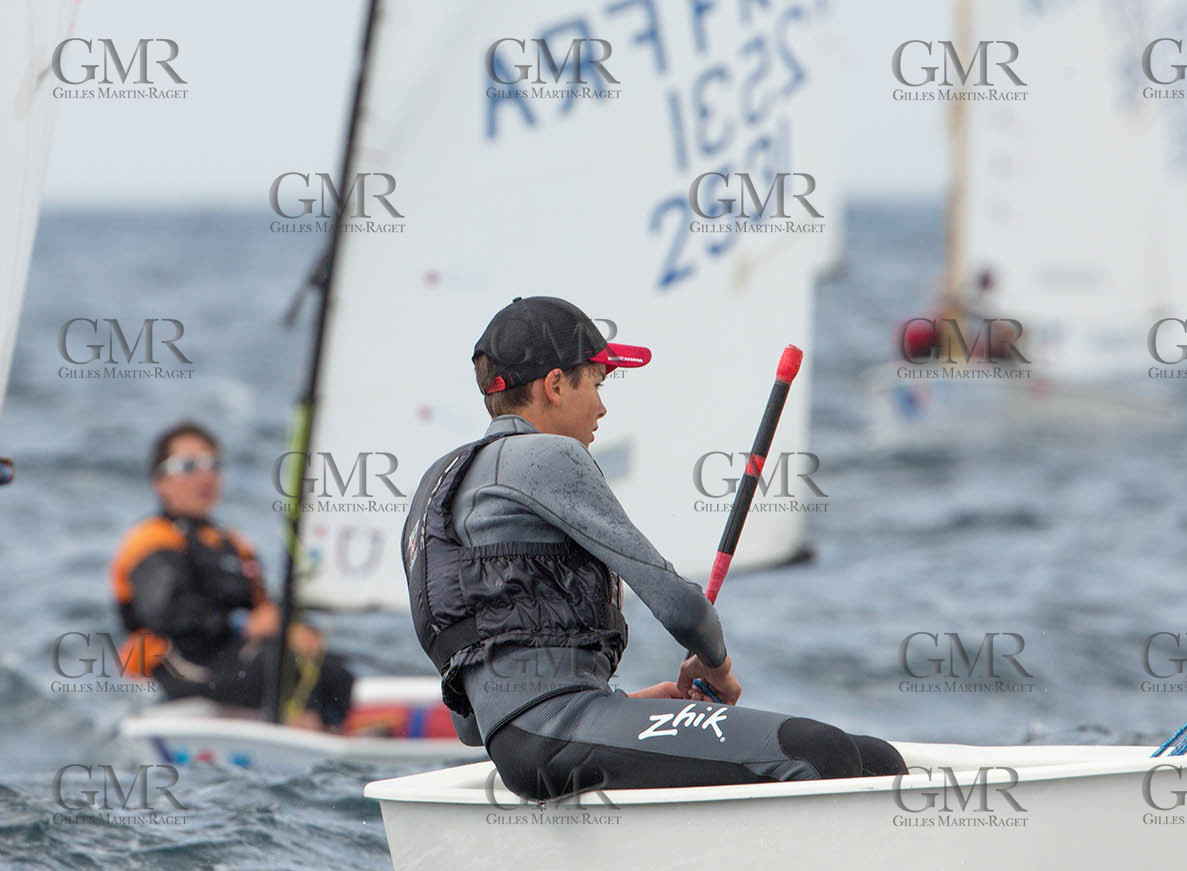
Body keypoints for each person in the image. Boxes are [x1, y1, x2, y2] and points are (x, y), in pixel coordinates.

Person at [402, 296, 907, 799]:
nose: (602, 408)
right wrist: (715, 665)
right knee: (819, 754)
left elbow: (471, 722)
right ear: (555, 386)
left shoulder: (437, 488)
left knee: (873, 759)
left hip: (529, 745)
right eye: (596, 384)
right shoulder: (549, 456)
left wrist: (629, 711)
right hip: (560, 733)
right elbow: (682, 608)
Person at [110, 421, 354, 730]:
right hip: (180, 669)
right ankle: (302, 734)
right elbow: (167, 614)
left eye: (212, 465)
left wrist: (293, 629)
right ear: (161, 481)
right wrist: (242, 624)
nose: (205, 476)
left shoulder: (233, 545)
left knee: (332, 669)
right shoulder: (150, 540)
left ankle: (335, 735)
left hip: (235, 662)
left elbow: (263, 609)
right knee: (283, 669)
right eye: (188, 466)